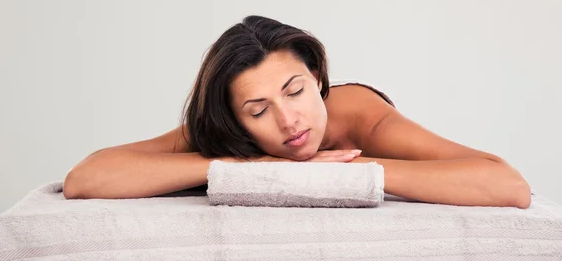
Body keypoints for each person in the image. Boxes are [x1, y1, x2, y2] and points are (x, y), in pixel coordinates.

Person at [63, 15, 531, 208]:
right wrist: (248, 166)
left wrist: (353, 169)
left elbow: (508, 185)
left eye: (295, 91)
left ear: (318, 80)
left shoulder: (358, 115)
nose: (289, 120)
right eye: (258, 110)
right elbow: (87, 177)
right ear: (235, 119)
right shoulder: (229, 134)